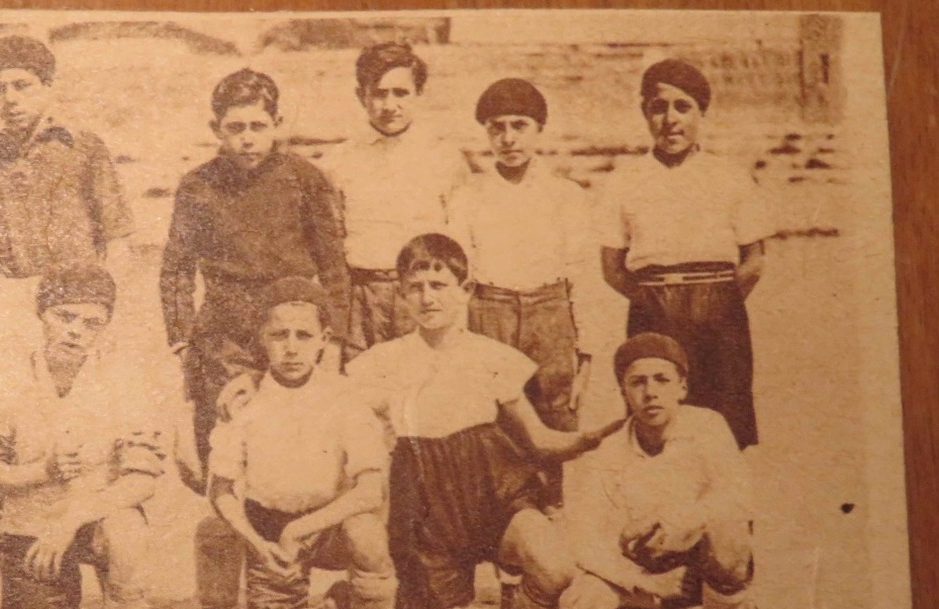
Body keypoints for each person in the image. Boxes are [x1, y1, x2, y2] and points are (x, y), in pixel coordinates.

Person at [347, 234, 622, 609]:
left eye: (439, 284)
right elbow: (335, 415)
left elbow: (538, 440)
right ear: (400, 293)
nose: (427, 297)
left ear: (466, 290)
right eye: (415, 287)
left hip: (495, 494)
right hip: (427, 512)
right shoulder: (380, 362)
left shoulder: (494, 357)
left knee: (554, 566)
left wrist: (585, 440)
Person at [159, 67, 350, 609]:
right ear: (216, 130)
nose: (246, 138)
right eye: (234, 128)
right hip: (221, 342)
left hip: (291, 334)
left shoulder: (306, 180)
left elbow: (335, 267)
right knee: (223, 481)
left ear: (278, 125)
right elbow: (173, 269)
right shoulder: (196, 186)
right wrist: (183, 337)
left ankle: (275, 604)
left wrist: (337, 344)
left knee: (287, 468)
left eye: (258, 127)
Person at [183, 278, 401, 609]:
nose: (292, 347)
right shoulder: (244, 401)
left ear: (324, 339)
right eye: (279, 335)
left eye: (304, 335)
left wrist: (303, 528)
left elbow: (369, 490)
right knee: (216, 536)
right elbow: (222, 490)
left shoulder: (345, 396)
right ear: (261, 340)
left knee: (369, 537)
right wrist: (255, 541)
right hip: (269, 528)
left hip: (328, 524)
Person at [0, 264, 166, 609]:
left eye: (92, 322)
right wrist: (45, 471)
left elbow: (142, 478)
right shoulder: (8, 379)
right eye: (65, 316)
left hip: (92, 519)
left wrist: (74, 518)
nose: (76, 331)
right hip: (31, 526)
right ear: (43, 315)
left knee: (129, 534)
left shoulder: (123, 381)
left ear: (105, 328)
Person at [558, 333, 754, 609]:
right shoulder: (608, 449)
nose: (651, 393)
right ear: (624, 392)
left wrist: (674, 521)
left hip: (698, 564)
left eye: (662, 380)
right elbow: (582, 537)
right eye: (638, 382)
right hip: (645, 571)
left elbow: (737, 498)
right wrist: (645, 582)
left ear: (682, 387)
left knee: (729, 532)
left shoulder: (708, 427)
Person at [597, 58, 774, 451]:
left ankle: (726, 509)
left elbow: (754, 261)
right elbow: (611, 268)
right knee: (656, 420)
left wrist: (718, 300)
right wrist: (653, 301)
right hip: (653, 310)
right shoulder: (623, 181)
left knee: (724, 421)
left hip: (719, 313)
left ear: (701, 112)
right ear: (645, 112)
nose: (670, 119)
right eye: (659, 108)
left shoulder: (730, 176)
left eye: (683, 107)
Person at [0, 35, 134, 419]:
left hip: (75, 304)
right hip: (8, 307)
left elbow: (118, 242)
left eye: (22, 86)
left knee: (82, 414)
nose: (10, 99)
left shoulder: (85, 148)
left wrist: (105, 317)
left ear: (48, 87)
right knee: (12, 416)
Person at [448, 77, 598, 444]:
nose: (509, 139)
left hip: (550, 318)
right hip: (491, 313)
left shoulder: (566, 196)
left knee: (556, 418)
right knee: (495, 421)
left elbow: (582, 275)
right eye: (497, 128)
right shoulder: (467, 196)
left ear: (539, 129)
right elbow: (459, 278)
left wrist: (588, 352)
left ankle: (552, 501)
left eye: (520, 126)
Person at [325, 43, 451, 359]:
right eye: (379, 93)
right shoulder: (338, 161)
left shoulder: (444, 158)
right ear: (361, 95)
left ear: (418, 94)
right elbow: (332, 240)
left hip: (423, 296)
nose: (389, 105)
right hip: (361, 298)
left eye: (401, 93)